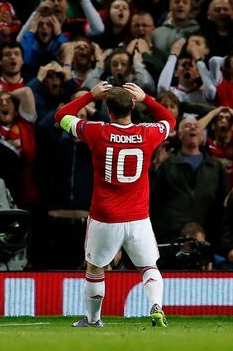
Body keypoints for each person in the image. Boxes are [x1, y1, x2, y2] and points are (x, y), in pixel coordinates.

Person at [54, 81, 175, 328]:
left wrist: (90, 95)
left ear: (107, 109)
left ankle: (93, 319)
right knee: (148, 267)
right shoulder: (148, 133)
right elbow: (170, 121)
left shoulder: (96, 132)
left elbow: (61, 116)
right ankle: (156, 306)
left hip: (105, 217)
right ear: (132, 105)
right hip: (138, 216)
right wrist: (147, 99)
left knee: (96, 268)